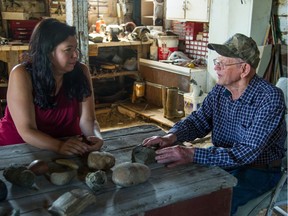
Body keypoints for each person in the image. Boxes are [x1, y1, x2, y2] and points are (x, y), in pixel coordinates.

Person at [142, 33, 287, 214]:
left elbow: (246, 153)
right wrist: (172, 136)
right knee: (176, 191)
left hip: (257, 171)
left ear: (244, 69)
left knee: (211, 205)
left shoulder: (269, 97)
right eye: (216, 62)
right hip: (223, 161)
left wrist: (192, 154)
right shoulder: (220, 89)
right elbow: (198, 120)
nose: (216, 67)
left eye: (223, 64)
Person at [0, 18, 103, 156]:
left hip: (67, 145)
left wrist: (96, 137)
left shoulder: (81, 71)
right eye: (68, 50)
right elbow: (27, 130)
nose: (75, 55)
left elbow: (88, 120)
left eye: (75, 48)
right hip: (19, 148)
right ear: (48, 52)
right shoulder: (22, 74)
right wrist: (59, 146)